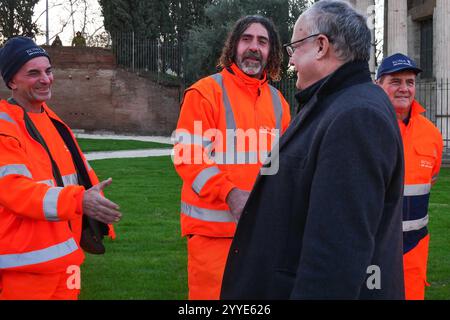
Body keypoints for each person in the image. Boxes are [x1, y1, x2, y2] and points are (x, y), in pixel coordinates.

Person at [221, 0, 405, 300]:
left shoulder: (355, 115)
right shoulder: (333, 103)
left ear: (321, 46)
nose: (290, 61)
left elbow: (335, 259)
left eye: (294, 47)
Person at [173, 15, 291, 300]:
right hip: (212, 237)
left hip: (262, 236)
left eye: (262, 41)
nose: (254, 47)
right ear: (233, 46)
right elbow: (187, 155)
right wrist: (229, 193)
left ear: (271, 51)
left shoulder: (279, 103)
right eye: (246, 39)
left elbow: (284, 169)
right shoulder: (205, 92)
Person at [0, 36, 122, 300]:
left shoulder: (51, 119)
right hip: (25, 268)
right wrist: (79, 200)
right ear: (11, 81)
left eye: (48, 70)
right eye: (33, 73)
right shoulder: (4, 127)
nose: (45, 79)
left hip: (68, 260)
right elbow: (15, 191)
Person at [376, 53, 443, 300]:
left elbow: (431, 178)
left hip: (414, 249)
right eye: (395, 81)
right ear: (378, 85)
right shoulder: (364, 125)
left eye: (410, 82)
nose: (404, 88)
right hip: (373, 246)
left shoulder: (432, 134)